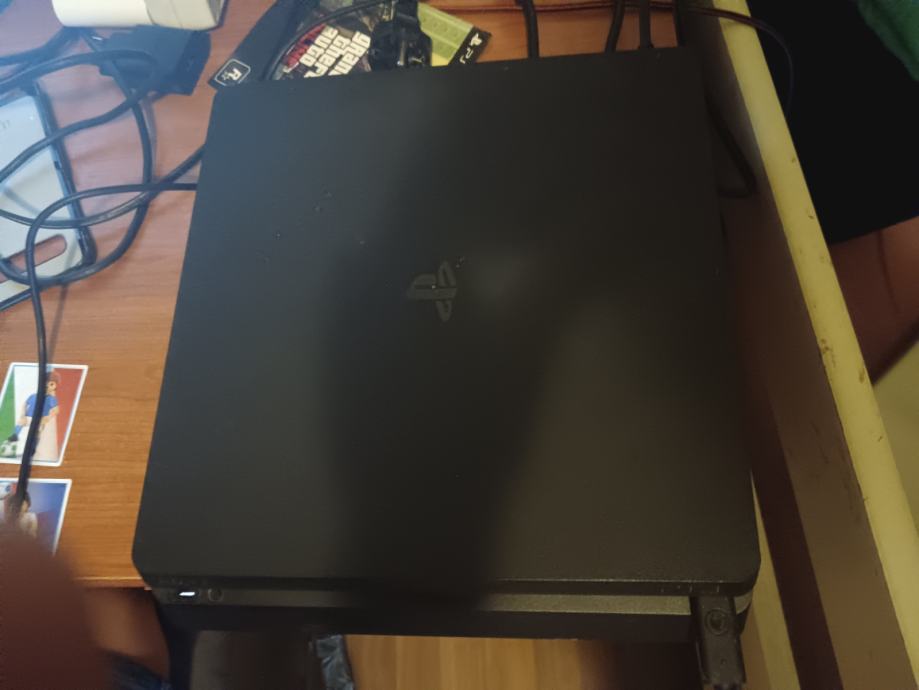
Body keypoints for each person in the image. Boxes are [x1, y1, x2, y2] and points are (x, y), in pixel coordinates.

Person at [3, 369, 61, 461]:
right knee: (21, 422)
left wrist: (48, 418)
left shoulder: (51, 399)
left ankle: (32, 450)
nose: (47, 385)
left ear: (55, 387)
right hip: (29, 417)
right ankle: (14, 437)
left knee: (37, 433)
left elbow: (56, 410)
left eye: (51, 384)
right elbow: (25, 404)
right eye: (46, 383)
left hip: (40, 419)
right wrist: (22, 415)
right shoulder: (34, 395)